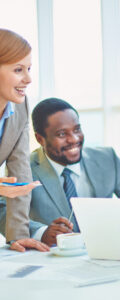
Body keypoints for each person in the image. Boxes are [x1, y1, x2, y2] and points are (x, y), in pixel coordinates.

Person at [29, 98, 120, 246]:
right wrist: (41, 232)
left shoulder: (107, 158)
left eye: (77, 129)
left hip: (107, 250)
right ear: (40, 139)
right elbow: (4, 211)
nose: (74, 139)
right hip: (55, 257)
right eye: (62, 134)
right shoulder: (25, 168)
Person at [0, 28, 49, 252]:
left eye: (29, 69)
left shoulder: (19, 107)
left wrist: (18, 235)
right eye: (18, 70)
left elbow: (20, 173)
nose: (28, 79)